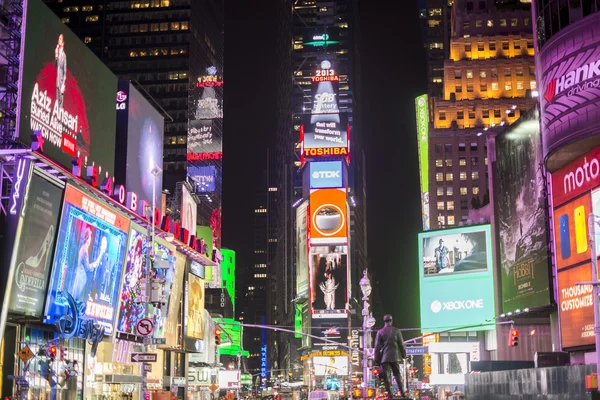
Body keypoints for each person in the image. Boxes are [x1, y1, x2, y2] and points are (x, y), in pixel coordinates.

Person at [374, 314, 407, 398]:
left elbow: (377, 347)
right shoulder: (397, 331)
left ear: (384, 321)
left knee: (386, 377)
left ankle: (390, 395)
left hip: (385, 358)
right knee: (397, 375)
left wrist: (377, 359)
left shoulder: (380, 332)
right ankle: (403, 394)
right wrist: (404, 355)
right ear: (391, 321)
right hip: (395, 357)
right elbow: (401, 345)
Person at [72, 228, 106, 304]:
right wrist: (94, 264)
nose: (91, 239)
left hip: (80, 278)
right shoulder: (84, 250)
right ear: (87, 238)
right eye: (90, 237)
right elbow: (88, 268)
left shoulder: (83, 248)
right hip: (80, 279)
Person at [54, 34, 67, 108]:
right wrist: (56, 55)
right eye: (58, 38)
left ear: (63, 43)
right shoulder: (57, 53)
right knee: (56, 101)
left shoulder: (64, 56)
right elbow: (55, 66)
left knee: (60, 104)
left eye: (60, 39)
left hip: (61, 82)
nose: (59, 40)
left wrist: (63, 85)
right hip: (56, 81)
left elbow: (65, 72)